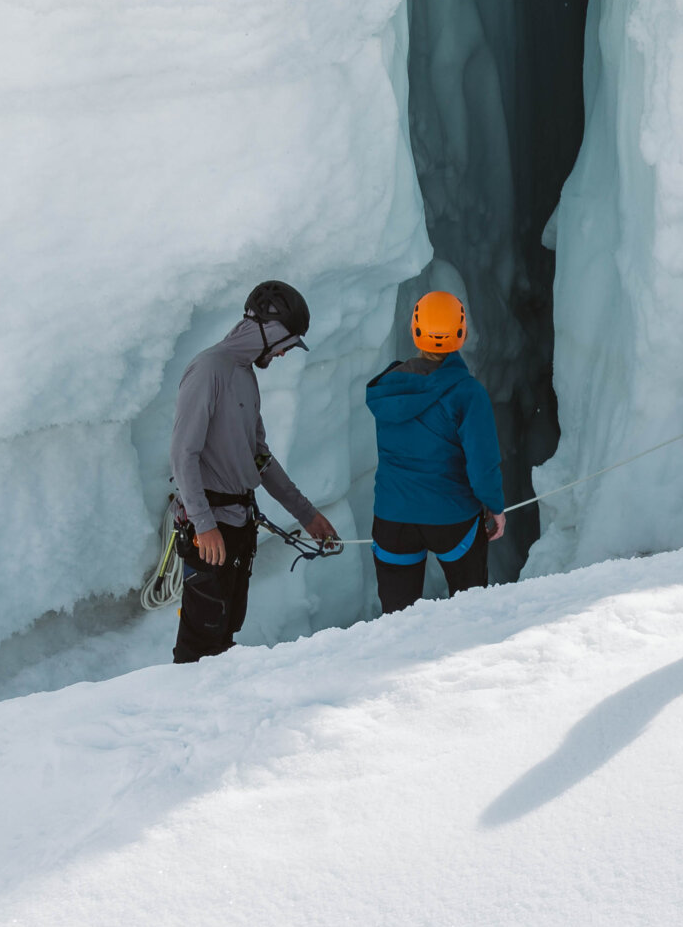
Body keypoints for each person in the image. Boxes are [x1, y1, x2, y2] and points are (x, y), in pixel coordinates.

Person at [170, 280, 341, 664]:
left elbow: (258, 458)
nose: (283, 354)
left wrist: (307, 515)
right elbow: (183, 453)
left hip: (236, 527)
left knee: (224, 636)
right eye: (286, 344)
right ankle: (184, 718)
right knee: (199, 646)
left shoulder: (243, 374)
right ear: (272, 331)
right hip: (212, 529)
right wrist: (203, 524)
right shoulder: (209, 369)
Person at [363, 290, 506, 613]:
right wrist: (495, 507)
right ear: (462, 330)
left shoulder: (388, 388)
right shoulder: (467, 392)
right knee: (469, 611)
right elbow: (482, 464)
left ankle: (400, 663)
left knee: (397, 619)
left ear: (415, 330)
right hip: (452, 518)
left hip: (393, 517)